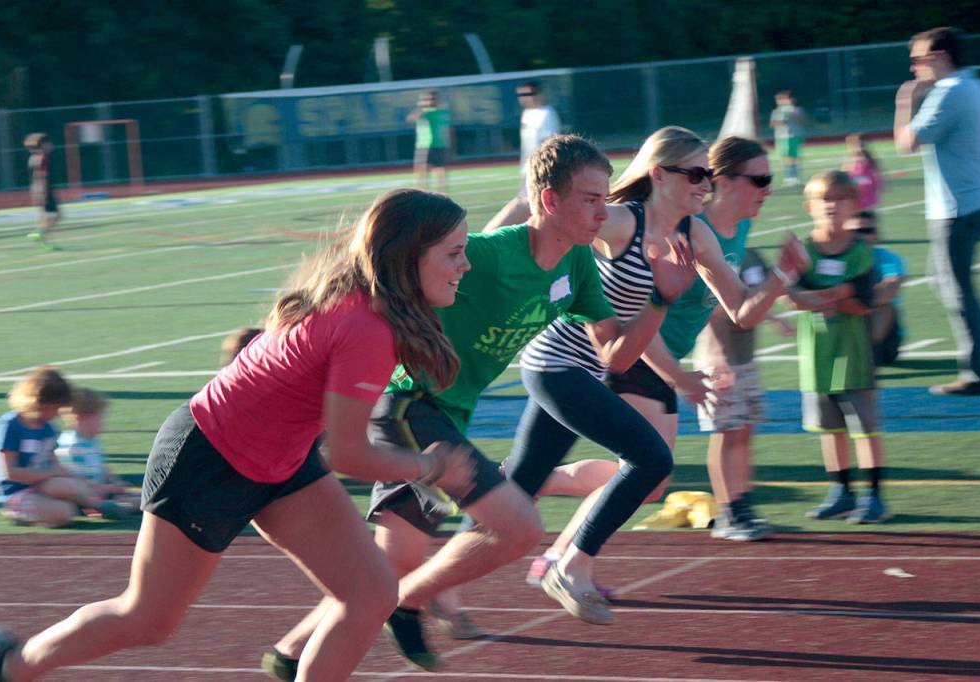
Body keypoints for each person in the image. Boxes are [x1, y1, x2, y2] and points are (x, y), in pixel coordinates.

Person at [0, 189, 479, 682]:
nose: (465, 266)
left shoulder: (374, 310)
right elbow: (349, 454)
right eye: (454, 253)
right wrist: (429, 467)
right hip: (209, 458)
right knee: (149, 619)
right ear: (406, 258)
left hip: (282, 460)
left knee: (371, 594)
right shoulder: (366, 326)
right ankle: (10, 666)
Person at [261, 134, 696, 679]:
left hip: (447, 415)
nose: (602, 212)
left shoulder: (580, 266)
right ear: (550, 201)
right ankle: (408, 602)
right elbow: (404, 268)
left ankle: (290, 653)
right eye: (589, 199)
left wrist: (660, 299)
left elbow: (614, 356)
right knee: (517, 528)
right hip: (407, 403)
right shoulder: (491, 253)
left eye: (604, 198)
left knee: (389, 562)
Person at [523, 134, 808, 585]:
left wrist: (782, 275)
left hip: (641, 354)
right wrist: (679, 378)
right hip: (609, 355)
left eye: (708, 176)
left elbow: (741, 312)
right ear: (659, 173)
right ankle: (567, 556)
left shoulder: (700, 233)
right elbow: (555, 225)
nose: (705, 184)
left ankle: (553, 539)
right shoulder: (619, 222)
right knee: (647, 467)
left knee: (648, 479)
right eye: (696, 174)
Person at [783, 170, 889, 524]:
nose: (832, 206)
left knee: (865, 427)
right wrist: (831, 295)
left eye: (841, 199)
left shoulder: (861, 251)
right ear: (809, 206)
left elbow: (862, 301)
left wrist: (819, 296)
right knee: (830, 429)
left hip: (854, 353)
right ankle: (841, 492)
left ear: (855, 206)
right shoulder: (803, 250)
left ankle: (874, 496)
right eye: (824, 200)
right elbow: (790, 296)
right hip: (817, 354)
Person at [894, 26, 980, 396]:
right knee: (944, 280)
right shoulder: (977, 87)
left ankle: (978, 373)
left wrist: (907, 101)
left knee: (955, 289)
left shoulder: (949, 92)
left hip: (956, 205)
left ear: (940, 57)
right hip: (974, 197)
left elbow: (907, 143)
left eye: (918, 60)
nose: (914, 69)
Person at [693, 246, 796, 541]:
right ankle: (728, 510)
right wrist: (719, 357)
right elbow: (712, 311)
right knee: (726, 433)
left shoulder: (751, 255)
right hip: (719, 361)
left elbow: (755, 299)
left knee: (744, 432)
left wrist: (775, 318)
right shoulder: (717, 254)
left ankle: (743, 504)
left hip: (745, 360)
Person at [0, 367, 120, 528]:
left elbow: (56, 465)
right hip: (16, 495)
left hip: (42, 486)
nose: (58, 413)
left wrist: (85, 484)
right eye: (55, 408)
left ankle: (101, 506)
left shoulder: (48, 428)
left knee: (70, 485)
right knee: (65, 513)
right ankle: (23, 514)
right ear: (38, 402)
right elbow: (9, 473)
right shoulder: (9, 426)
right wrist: (51, 473)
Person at [484, 81, 562, 231]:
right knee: (534, 212)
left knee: (524, 205)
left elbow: (550, 145)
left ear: (539, 94)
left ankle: (486, 237)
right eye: (522, 95)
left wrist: (543, 170)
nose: (525, 98)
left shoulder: (547, 114)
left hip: (542, 172)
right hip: (528, 170)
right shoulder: (527, 114)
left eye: (529, 94)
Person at [56, 387, 141, 516]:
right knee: (138, 502)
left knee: (143, 496)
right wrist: (113, 488)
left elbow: (102, 467)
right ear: (82, 417)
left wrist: (116, 481)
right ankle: (105, 509)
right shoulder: (72, 446)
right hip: (85, 498)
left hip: (101, 491)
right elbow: (81, 485)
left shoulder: (91, 440)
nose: (103, 423)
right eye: (100, 418)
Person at [845, 211, 906, 365]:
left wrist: (850, 302)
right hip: (845, 324)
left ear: (876, 235)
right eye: (856, 231)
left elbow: (890, 288)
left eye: (868, 231)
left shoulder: (888, 258)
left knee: (885, 308)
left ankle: (866, 355)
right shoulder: (839, 259)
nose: (861, 236)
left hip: (883, 337)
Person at [408, 90, 453, 193]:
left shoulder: (442, 112)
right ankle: (421, 195)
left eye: (432, 99)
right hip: (423, 146)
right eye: (427, 99)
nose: (430, 101)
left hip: (439, 145)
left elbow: (449, 130)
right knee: (421, 172)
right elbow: (411, 118)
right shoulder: (423, 113)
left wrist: (450, 147)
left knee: (440, 172)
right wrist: (422, 108)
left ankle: (442, 195)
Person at [23, 132, 61, 250]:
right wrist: (43, 193)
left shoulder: (33, 157)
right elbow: (41, 176)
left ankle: (47, 244)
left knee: (44, 218)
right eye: (49, 143)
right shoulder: (43, 158)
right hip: (44, 190)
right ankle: (39, 232)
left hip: (36, 189)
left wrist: (37, 193)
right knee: (57, 215)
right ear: (43, 145)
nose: (51, 145)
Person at [769, 91, 805, 187]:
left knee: (792, 157)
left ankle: (794, 177)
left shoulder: (797, 109)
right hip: (781, 137)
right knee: (784, 157)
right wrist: (781, 120)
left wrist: (792, 114)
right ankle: (788, 177)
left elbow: (802, 121)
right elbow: (773, 124)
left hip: (793, 136)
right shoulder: (777, 111)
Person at [843, 133, 883, 210]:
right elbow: (845, 170)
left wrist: (880, 187)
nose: (860, 147)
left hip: (868, 187)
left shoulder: (869, 158)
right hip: (855, 186)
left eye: (862, 145)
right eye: (858, 145)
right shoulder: (851, 157)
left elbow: (878, 173)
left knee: (867, 206)